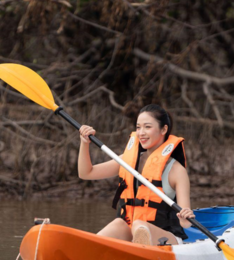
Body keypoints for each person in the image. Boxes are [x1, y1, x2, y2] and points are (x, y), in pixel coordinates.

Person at [77, 104, 195, 246]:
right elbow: (86, 173)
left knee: (140, 226)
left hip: (167, 238)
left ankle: (138, 254)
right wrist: (85, 143)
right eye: (138, 127)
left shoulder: (176, 170)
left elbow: (185, 223)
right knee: (119, 224)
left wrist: (185, 216)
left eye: (147, 127)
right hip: (133, 231)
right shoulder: (127, 161)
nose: (141, 133)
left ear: (164, 129)